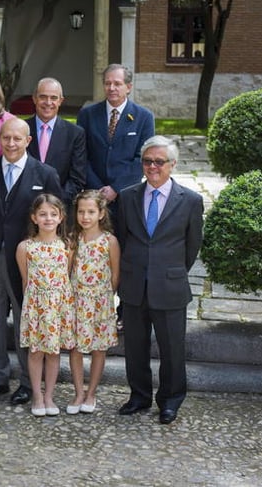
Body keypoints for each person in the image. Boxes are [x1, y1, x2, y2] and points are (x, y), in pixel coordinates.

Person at [0, 117, 62, 405]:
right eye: (6, 138)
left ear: (28, 141)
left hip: (29, 261)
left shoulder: (45, 173)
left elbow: (57, 216)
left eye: (17, 139)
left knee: (26, 320)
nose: (11, 143)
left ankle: (26, 382)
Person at [115, 135, 203, 425]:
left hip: (170, 285)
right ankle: (139, 397)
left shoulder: (190, 201)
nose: (152, 166)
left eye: (159, 161)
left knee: (172, 349)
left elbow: (191, 247)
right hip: (134, 286)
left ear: (172, 164)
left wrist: (169, 271)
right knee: (135, 348)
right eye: (147, 161)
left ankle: (170, 401)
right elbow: (123, 240)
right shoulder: (127, 197)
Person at [77, 63, 155, 328]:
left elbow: (141, 159)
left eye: (117, 83)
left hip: (127, 198)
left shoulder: (143, 117)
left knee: (122, 251)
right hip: (93, 197)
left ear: (128, 87)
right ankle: (89, 307)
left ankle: (121, 312)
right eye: (108, 83)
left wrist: (115, 189)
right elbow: (82, 154)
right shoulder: (88, 115)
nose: (111, 88)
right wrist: (99, 191)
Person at [15, 194, 75, 417]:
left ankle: (49, 395)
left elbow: (66, 276)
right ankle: (37, 396)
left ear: (61, 218)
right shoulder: (25, 247)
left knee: (53, 352)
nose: (48, 218)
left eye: (53, 214)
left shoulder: (66, 246)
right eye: (42, 214)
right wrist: (30, 309)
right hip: (35, 307)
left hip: (58, 306)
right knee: (36, 351)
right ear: (34, 217)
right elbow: (25, 279)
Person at [67, 190, 119, 415]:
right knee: (76, 348)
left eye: (90, 212)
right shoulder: (72, 239)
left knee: (99, 348)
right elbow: (67, 271)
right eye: (81, 211)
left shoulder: (110, 241)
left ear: (101, 213)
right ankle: (78, 391)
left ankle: (91, 392)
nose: (85, 217)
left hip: (100, 302)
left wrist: (106, 298)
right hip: (77, 302)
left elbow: (115, 275)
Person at [25, 78, 86, 207]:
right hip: (24, 206)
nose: (48, 102)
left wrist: (55, 204)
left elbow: (77, 178)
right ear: (34, 99)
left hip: (58, 210)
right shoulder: (22, 129)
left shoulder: (75, 133)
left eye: (53, 98)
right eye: (43, 97)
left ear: (60, 101)